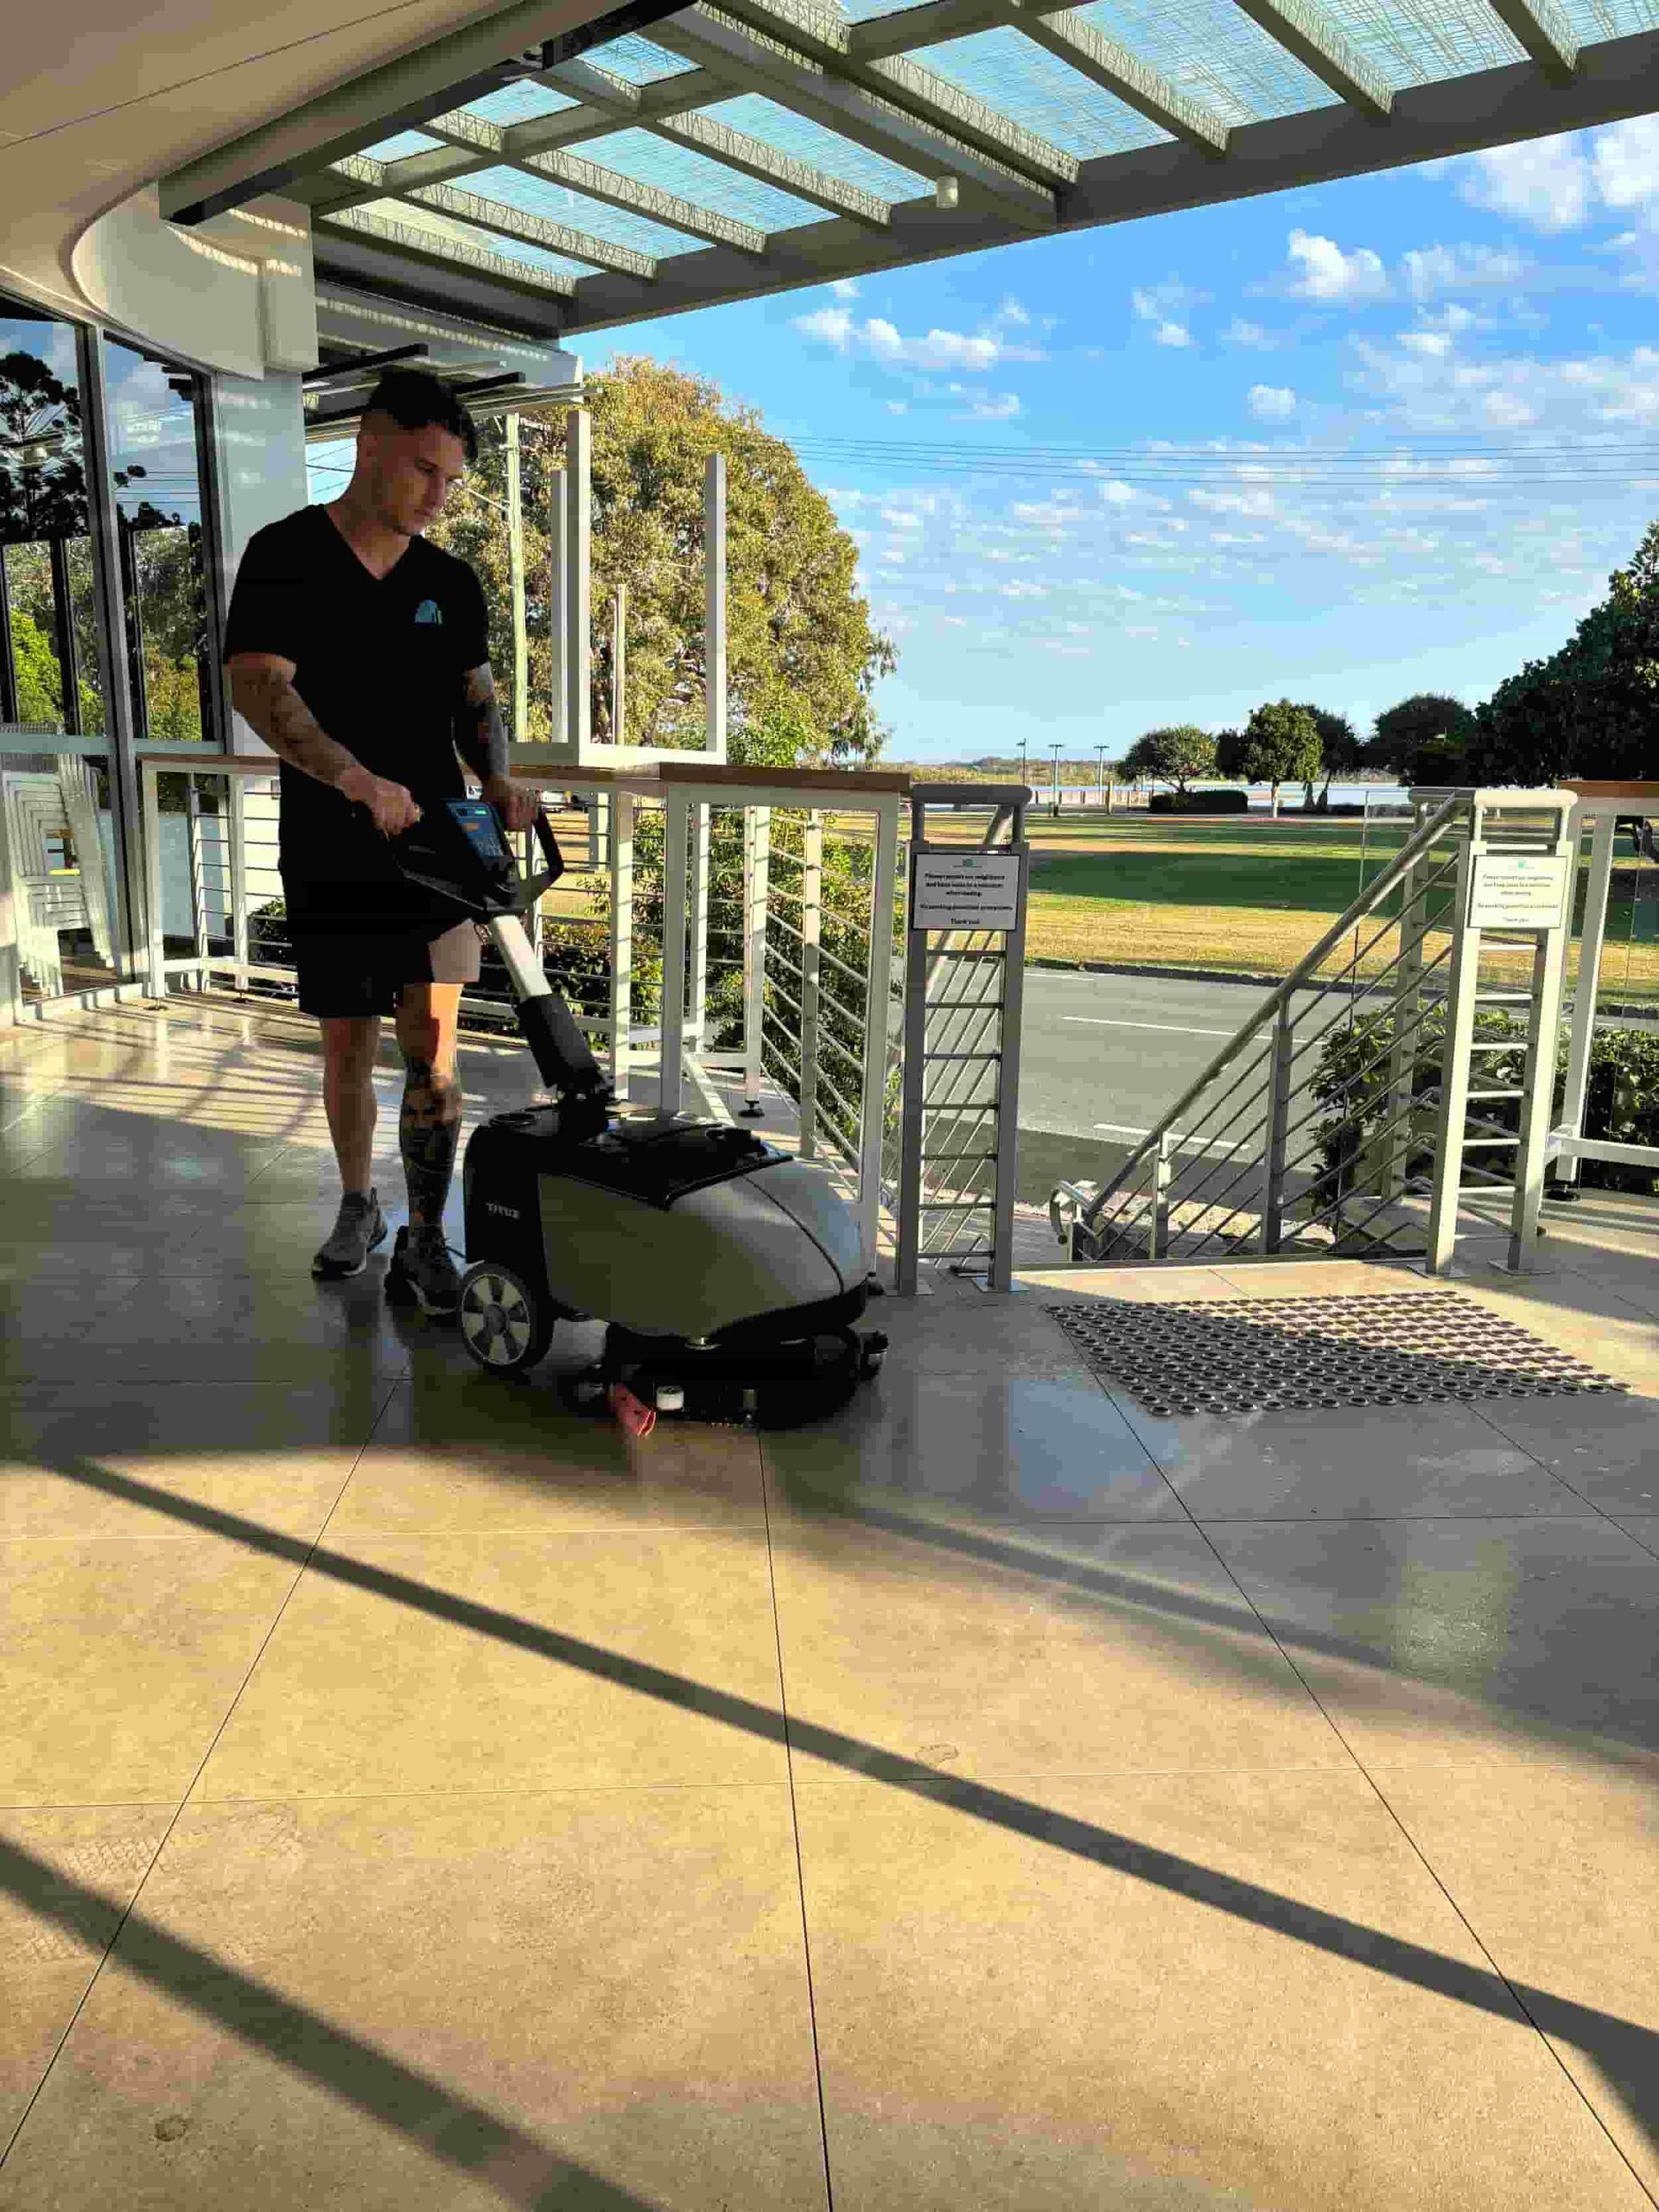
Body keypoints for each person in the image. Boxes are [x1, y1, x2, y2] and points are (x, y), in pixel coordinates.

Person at [224, 368, 539, 1314]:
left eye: (450, 479)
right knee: (347, 1043)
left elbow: (475, 701)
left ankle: (427, 1236)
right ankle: (359, 1202)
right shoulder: (284, 555)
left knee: (433, 1047)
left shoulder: (451, 580)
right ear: (367, 443)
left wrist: (498, 776)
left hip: (440, 851)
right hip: (331, 841)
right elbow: (258, 686)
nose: (438, 495)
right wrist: (353, 777)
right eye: (424, 470)